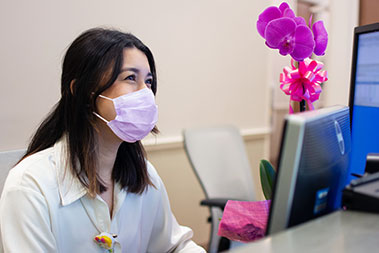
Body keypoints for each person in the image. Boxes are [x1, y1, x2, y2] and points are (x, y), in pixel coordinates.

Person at [0, 28, 205, 252]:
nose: (145, 93)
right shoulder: (30, 186)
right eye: (130, 78)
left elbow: (173, 246)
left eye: (148, 81)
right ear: (82, 92)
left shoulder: (144, 174)